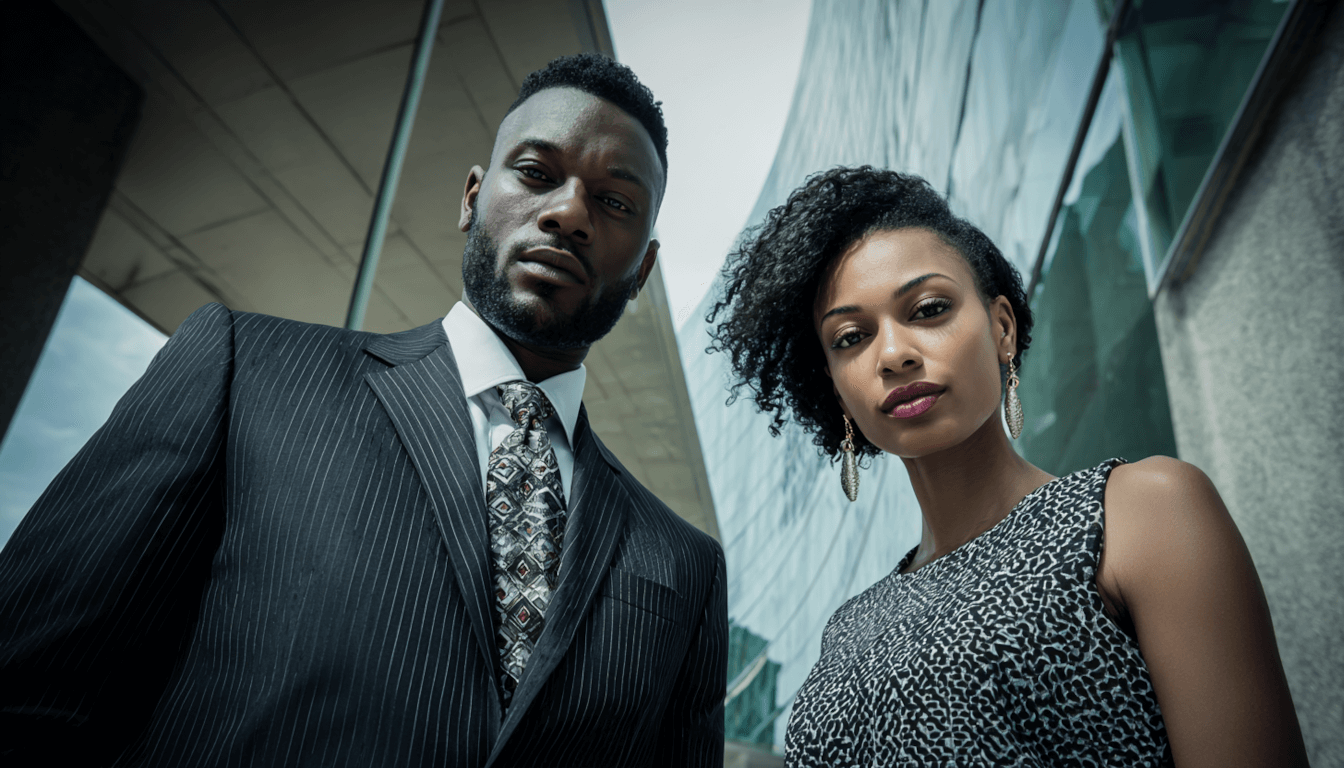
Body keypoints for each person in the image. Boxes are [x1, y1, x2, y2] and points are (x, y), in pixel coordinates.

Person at [0, 54, 726, 768]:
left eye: (615, 203)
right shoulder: (244, 372)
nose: (568, 214)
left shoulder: (685, 566)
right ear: (472, 198)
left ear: (644, 269)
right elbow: (31, 692)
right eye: (537, 173)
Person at [707, 166, 1307, 767]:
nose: (892, 354)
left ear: (1002, 328)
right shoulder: (847, 630)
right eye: (850, 338)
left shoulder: (1141, 512)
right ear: (836, 389)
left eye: (928, 309)